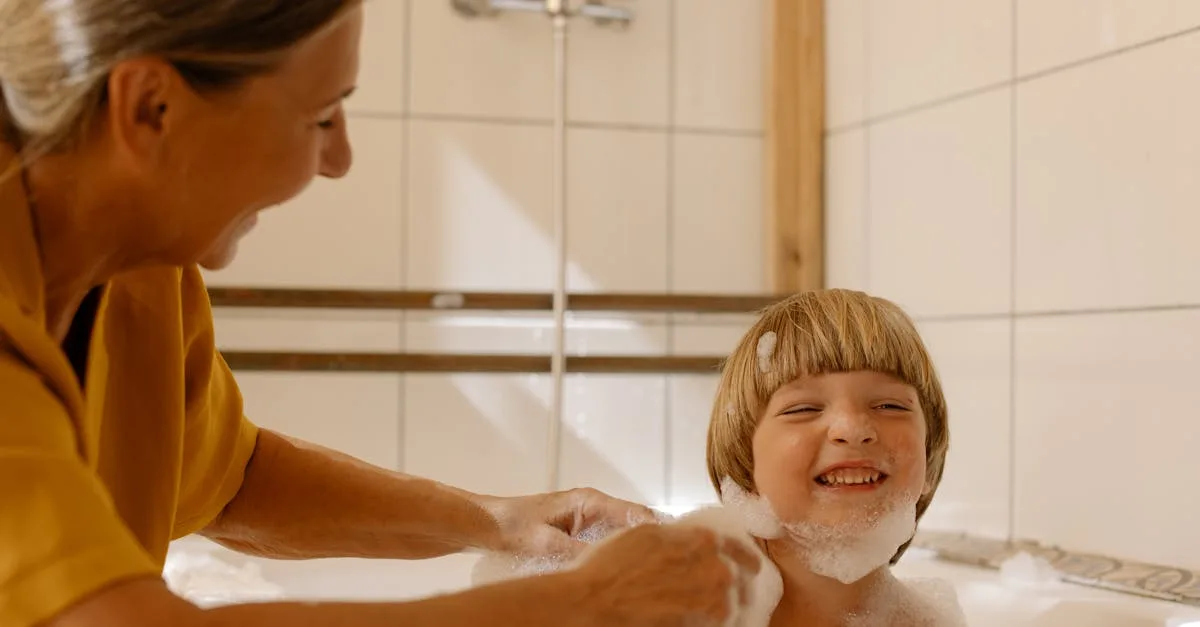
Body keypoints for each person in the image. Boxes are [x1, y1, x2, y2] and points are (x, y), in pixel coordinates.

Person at [0, 1, 762, 625]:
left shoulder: (143, 268)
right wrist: (584, 601)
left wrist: (499, 520)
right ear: (152, 107)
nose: (339, 161)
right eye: (321, 117)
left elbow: (226, 481)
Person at [706, 289, 961, 626]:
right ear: (744, 461)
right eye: (804, 409)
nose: (852, 429)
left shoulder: (929, 621)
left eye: (890, 405)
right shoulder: (687, 608)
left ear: (929, 455)